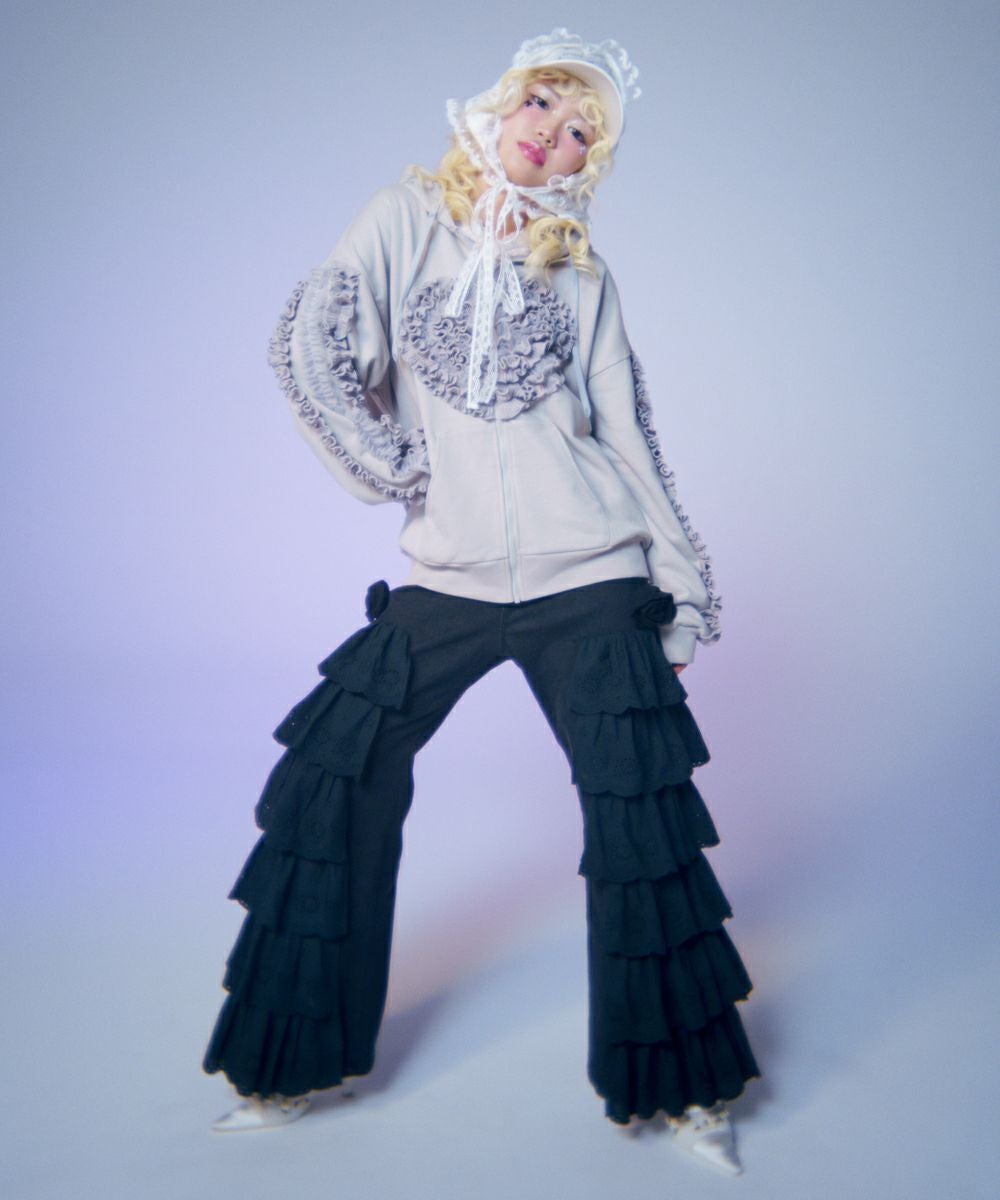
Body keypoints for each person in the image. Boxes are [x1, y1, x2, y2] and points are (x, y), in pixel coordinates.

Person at [201, 28, 761, 1176]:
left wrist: (679, 581)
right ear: (499, 106)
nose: (554, 136)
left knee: (639, 818)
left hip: (590, 572)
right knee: (333, 781)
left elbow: (628, 435)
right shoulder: (404, 219)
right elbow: (316, 339)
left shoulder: (583, 274)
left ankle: (685, 1091)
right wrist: (391, 464)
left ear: (590, 162)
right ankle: (289, 1062)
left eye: (581, 132)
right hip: (446, 577)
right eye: (543, 106)